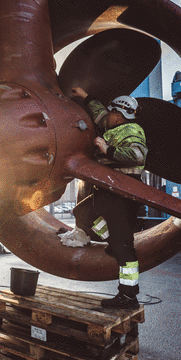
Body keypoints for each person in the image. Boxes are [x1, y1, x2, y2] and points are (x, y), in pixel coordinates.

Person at [69, 87, 147, 310]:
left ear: (120, 115)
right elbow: (99, 113)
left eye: (111, 114)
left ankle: (128, 295)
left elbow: (137, 155)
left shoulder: (132, 130)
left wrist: (106, 149)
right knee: (82, 212)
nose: (107, 117)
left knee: (125, 248)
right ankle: (112, 242)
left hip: (123, 194)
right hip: (106, 191)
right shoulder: (111, 123)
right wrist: (85, 96)